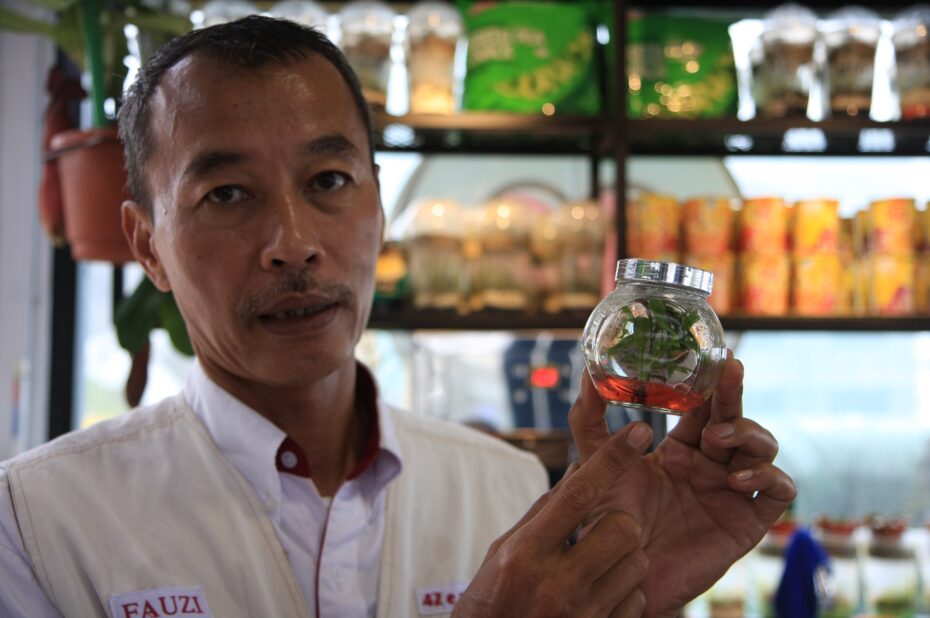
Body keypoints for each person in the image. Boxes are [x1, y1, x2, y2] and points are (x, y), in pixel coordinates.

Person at [0, 16, 795, 618]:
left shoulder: (510, 489)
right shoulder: (39, 522)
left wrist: (635, 597)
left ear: (380, 203)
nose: (294, 244)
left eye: (330, 181)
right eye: (228, 194)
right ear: (146, 245)